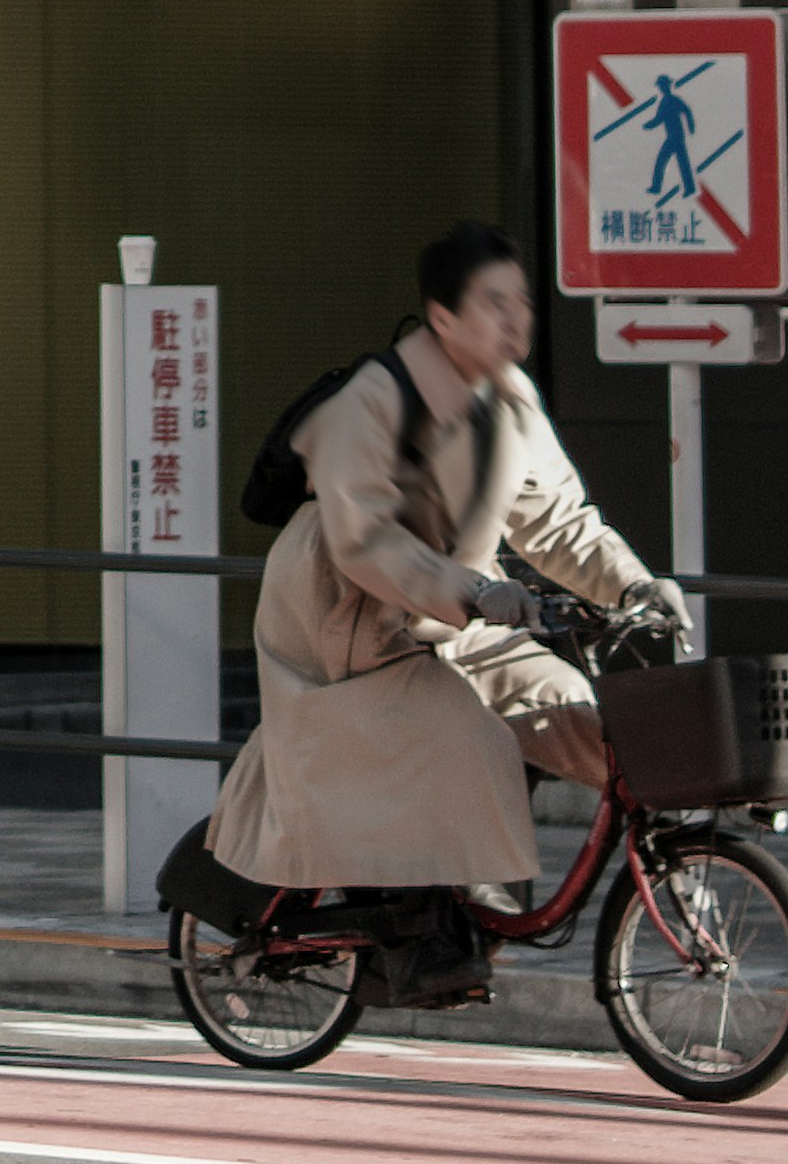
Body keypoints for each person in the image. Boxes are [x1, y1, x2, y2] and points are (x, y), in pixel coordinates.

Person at [206, 222, 687, 996]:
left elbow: (560, 523)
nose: (514, 319)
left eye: (520, 301)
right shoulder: (374, 403)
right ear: (442, 318)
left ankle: (473, 894)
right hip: (344, 620)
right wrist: (477, 592)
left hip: (459, 612)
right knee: (462, 735)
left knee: (571, 708)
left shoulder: (515, 401)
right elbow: (366, 543)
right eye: (492, 304)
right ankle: (424, 918)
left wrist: (633, 585)